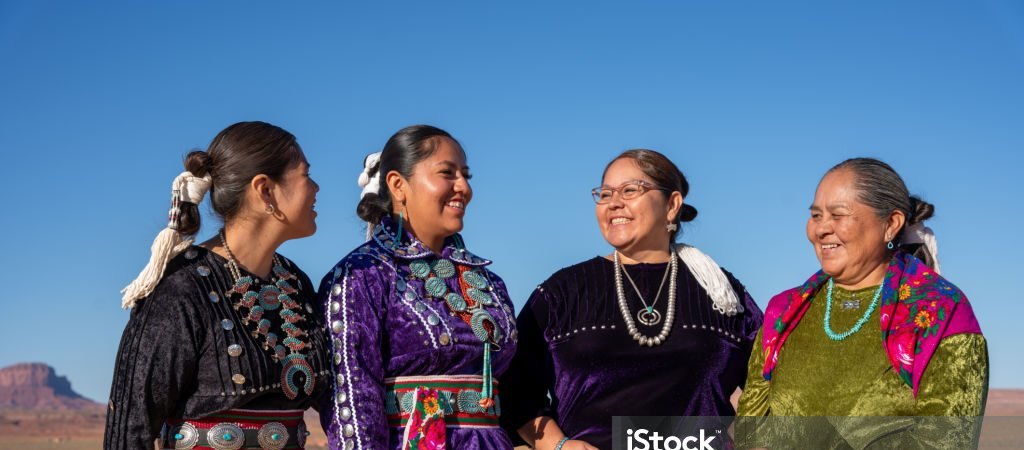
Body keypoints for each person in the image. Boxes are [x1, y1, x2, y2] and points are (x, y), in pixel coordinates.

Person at [502, 149, 764, 450]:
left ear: (672, 205)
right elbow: (513, 388)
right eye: (604, 194)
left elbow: (769, 388)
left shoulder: (722, 293)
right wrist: (559, 445)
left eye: (630, 190)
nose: (613, 203)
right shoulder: (562, 292)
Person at [105, 121, 331, 450]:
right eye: (305, 174)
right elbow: (130, 428)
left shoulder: (295, 283)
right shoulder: (181, 287)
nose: (316, 187)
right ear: (265, 190)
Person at [736, 157, 988, 449]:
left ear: (891, 224)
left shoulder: (940, 312)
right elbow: (750, 429)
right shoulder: (785, 311)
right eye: (816, 215)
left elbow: (945, 441)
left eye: (837, 215)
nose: (820, 229)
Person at [319, 125, 518, 449]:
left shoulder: (487, 281)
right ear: (398, 185)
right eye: (447, 173)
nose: (463, 188)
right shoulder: (362, 276)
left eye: (466, 175)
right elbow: (354, 407)